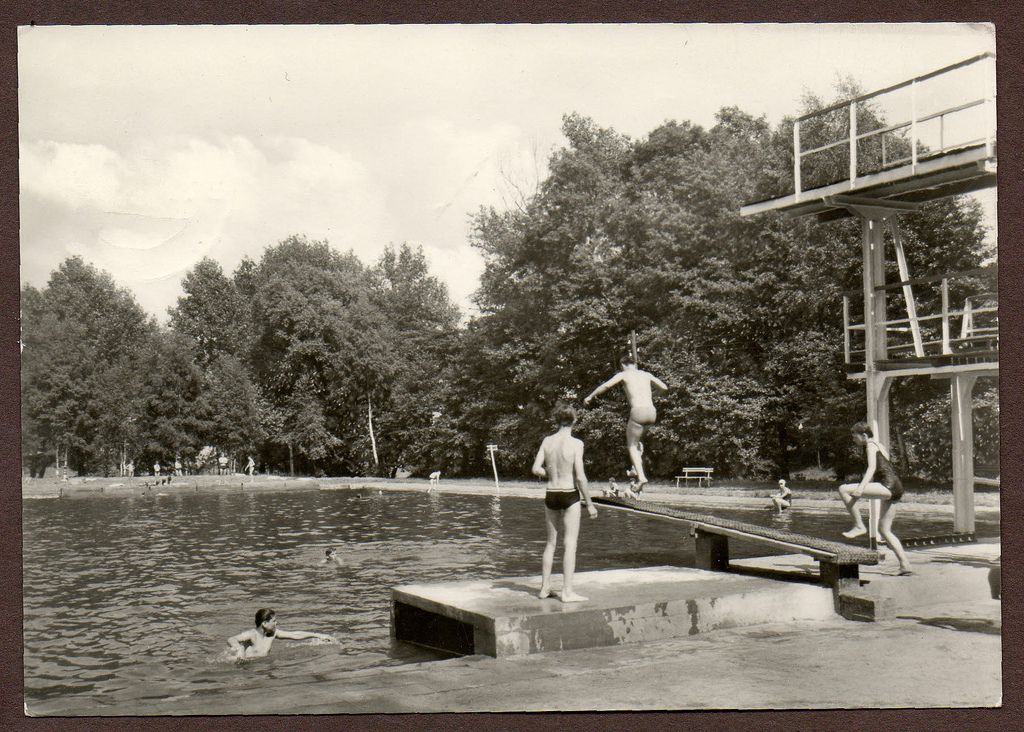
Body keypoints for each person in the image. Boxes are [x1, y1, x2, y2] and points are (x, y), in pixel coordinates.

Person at [531, 402, 598, 603]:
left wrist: (549, 472)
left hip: (551, 493)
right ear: (574, 420)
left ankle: (544, 588)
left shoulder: (547, 441)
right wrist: (590, 503)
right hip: (569, 494)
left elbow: (536, 468)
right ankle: (567, 592)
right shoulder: (577, 444)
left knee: (551, 543)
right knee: (570, 544)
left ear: (556, 420)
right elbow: (581, 478)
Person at [837, 421, 912, 575]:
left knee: (843, 489)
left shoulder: (870, 446)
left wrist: (861, 488)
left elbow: (871, 468)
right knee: (884, 530)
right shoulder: (879, 445)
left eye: (855, 438)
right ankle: (905, 565)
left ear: (864, 435)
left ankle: (859, 525)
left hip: (888, 485)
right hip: (896, 486)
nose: (854, 441)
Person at [584, 354, 668, 490]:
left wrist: (590, 396)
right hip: (652, 412)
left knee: (632, 446)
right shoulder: (646, 374)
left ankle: (641, 477)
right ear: (634, 364)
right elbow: (664, 388)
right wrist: (654, 396)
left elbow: (606, 386)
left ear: (623, 365)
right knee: (638, 443)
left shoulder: (623, 374)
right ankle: (635, 467)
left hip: (638, 411)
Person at [227, 608, 335, 660]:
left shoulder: (272, 633)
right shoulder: (252, 635)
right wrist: (237, 648)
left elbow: (294, 635)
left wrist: (318, 635)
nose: (276, 623)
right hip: (246, 667)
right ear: (264, 623)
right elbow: (231, 639)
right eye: (273, 621)